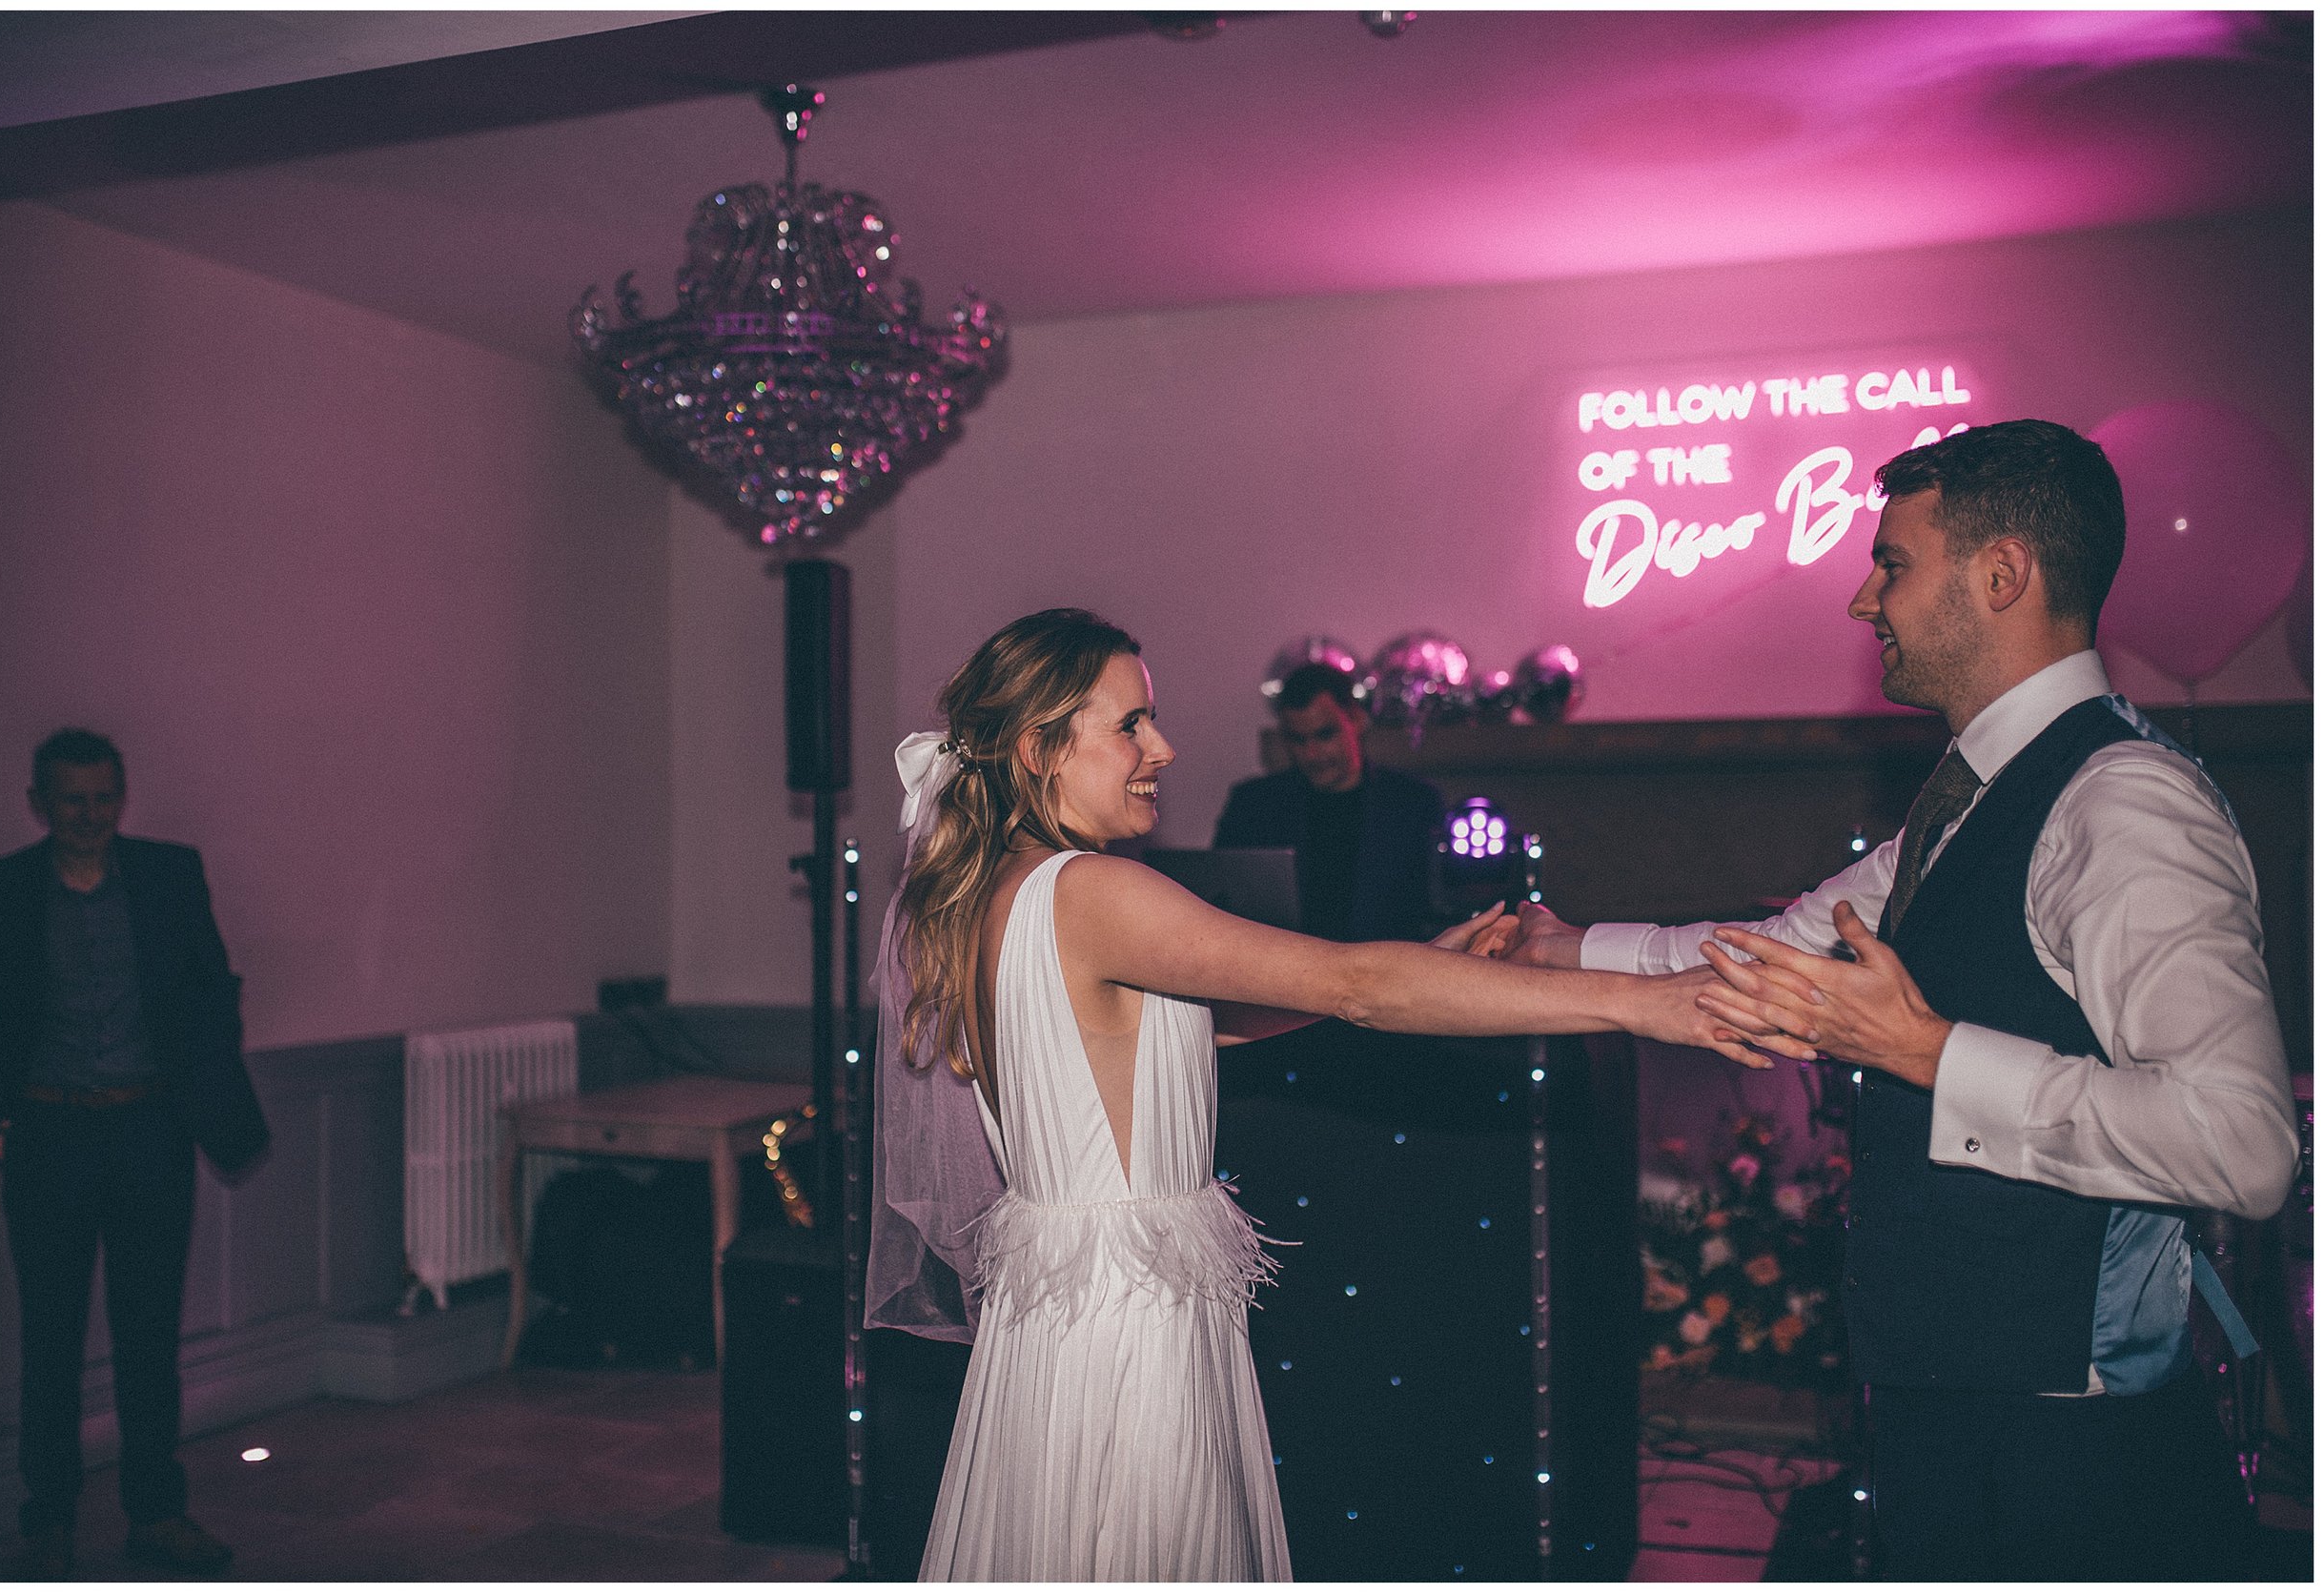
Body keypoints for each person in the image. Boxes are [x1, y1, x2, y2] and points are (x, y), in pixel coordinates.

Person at [1504, 420, 2299, 1580]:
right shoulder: (1973, 791)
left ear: (2002, 574)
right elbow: (1775, 952)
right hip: (1952, 1405)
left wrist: (1930, 1054)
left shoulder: (2123, 805)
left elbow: (2243, 1146)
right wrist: (1558, 948)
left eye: (1893, 562)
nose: (1861, 600)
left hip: (2069, 1448)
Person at [865, 609, 1753, 1582]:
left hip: (1064, 1311)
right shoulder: (1093, 892)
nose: (1161, 748)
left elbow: (1206, 1023)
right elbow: (1354, 987)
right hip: (1130, 1316)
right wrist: (1644, 1005)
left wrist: (1423, 958)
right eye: (1130, 724)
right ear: (1038, 747)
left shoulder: (1002, 891)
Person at [0, 729, 269, 1579]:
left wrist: (201, 1092)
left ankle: (157, 1514)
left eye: (103, 797)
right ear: (39, 803)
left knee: (148, 1334)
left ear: (120, 797)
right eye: (71, 799)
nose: (89, 814)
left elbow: (214, 986)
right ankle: (48, 1520)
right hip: (48, 1135)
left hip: (149, 1133)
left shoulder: (168, 875)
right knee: (50, 1340)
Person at [1213, 661, 1446, 941]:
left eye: (1325, 734)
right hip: (1283, 971)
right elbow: (1218, 901)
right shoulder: (1253, 805)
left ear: (1357, 720)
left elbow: (1436, 910)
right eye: (1298, 740)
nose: (1311, 754)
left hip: (1385, 971)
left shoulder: (1413, 804)